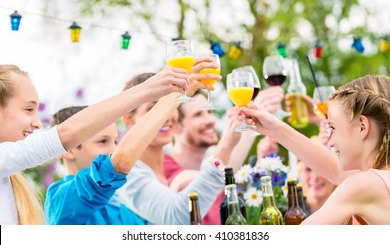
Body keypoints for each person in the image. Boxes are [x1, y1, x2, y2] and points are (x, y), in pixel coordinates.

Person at [0, 64, 189, 225]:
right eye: (28, 109)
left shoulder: (122, 203)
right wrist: (155, 92)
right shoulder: (62, 197)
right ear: (70, 150)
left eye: (115, 141)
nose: (37, 123)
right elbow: (115, 161)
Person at [242, 75, 390, 224]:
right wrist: (274, 129)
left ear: (362, 127)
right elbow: (334, 170)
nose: (330, 142)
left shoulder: (364, 185)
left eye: (333, 127)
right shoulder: (377, 181)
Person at [118, 58, 238, 225]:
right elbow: (178, 217)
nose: (165, 115)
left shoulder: (158, 173)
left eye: (169, 105)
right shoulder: (127, 174)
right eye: (153, 108)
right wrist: (224, 148)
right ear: (129, 119)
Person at [163, 86, 284, 224]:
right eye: (198, 115)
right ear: (175, 126)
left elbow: (226, 174)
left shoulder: (213, 170)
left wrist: (252, 119)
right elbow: (211, 180)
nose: (211, 120)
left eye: (209, 112)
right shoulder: (165, 166)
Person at [297, 137, 336, 214]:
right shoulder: (286, 212)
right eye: (308, 169)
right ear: (299, 174)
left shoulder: (351, 215)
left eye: (322, 168)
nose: (315, 178)